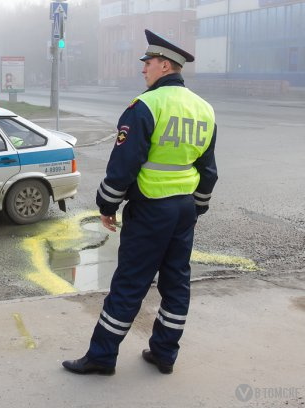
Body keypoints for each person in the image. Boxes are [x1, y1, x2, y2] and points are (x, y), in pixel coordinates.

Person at [62, 29, 218, 376]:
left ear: (164, 65)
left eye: (147, 63)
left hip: (150, 208)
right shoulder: (204, 109)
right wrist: (197, 207)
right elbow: (208, 169)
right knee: (176, 282)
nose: (143, 69)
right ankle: (165, 353)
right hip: (183, 209)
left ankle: (101, 357)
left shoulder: (146, 105)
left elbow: (123, 166)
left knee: (130, 282)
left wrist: (107, 205)